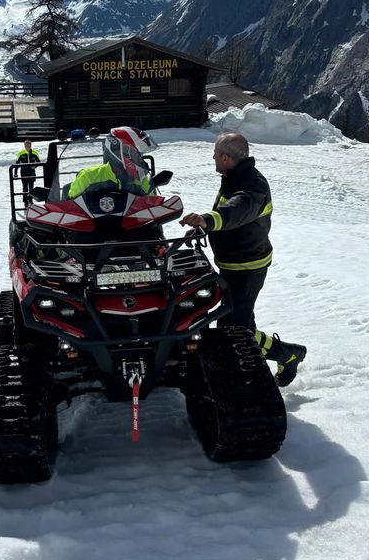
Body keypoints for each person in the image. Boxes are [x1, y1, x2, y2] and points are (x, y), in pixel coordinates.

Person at [181, 132, 306, 386]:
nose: (213, 157)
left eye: (215, 154)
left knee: (232, 330)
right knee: (242, 325)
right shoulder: (234, 177)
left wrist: (208, 220)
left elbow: (238, 210)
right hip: (232, 263)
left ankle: (256, 373)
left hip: (247, 268)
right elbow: (229, 218)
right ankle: (286, 354)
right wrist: (205, 229)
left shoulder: (253, 185)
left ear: (226, 158)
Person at [67, 127, 155, 199]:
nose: (140, 159)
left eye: (140, 155)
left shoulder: (143, 182)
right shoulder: (87, 177)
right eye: (136, 154)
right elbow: (69, 208)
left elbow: (153, 209)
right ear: (120, 152)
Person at [15, 140, 40, 205]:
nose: (28, 146)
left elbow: (39, 162)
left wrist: (35, 166)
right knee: (25, 188)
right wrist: (15, 173)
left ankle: (30, 200)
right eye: (26, 145)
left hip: (32, 173)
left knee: (31, 188)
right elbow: (17, 164)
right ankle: (25, 201)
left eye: (29, 145)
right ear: (24, 146)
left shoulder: (35, 152)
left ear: (31, 145)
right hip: (24, 173)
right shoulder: (21, 153)